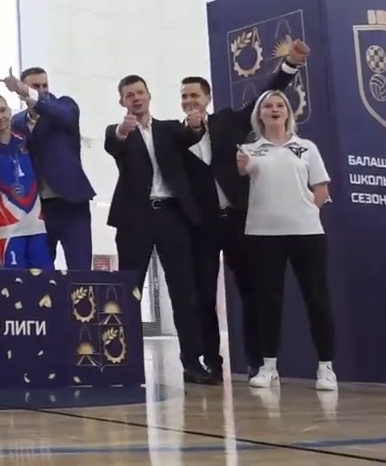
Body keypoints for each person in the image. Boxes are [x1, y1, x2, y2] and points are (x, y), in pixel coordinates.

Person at [180, 39, 307, 380]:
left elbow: (264, 95)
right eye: (185, 97)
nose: (190, 101)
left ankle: (257, 361)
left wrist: (290, 65)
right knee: (203, 295)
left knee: (252, 291)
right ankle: (212, 363)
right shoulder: (176, 135)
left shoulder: (228, 122)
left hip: (238, 220)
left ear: (207, 99)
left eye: (195, 95)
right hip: (203, 227)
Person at [103, 74, 215, 385]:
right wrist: (123, 131)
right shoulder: (118, 131)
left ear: (149, 95)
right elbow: (114, 143)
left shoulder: (168, 129)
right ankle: (123, 363)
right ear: (122, 101)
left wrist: (196, 124)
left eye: (140, 92)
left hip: (172, 216)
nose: (136, 98)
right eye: (129, 95)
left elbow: (190, 134)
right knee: (130, 292)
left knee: (184, 292)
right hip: (135, 220)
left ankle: (192, 363)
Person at [238, 90, 336, 391]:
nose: (274, 109)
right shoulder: (250, 150)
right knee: (268, 301)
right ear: (260, 114)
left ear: (288, 112)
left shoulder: (306, 148)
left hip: (307, 233)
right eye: (268, 106)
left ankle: (326, 368)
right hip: (262, 235)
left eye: (280, 105)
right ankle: (268, 367)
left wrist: (307, 211)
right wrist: (242, 167)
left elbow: (321, 188)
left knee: (316, 298)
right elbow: (241, 175)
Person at [5, 67, 96, 269]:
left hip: (72, 203)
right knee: (40, 270)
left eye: (44, 85)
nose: (42, 90)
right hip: (38, 208)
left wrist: (31, 95)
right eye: (35, 86)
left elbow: (64, 116)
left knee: (80, 270)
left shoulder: (65, 106)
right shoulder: (17, 122)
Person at [0, 93, 52, 269]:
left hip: (35, 225)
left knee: (45, 279)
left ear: (10, 111)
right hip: (6, 228)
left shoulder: (25, 140)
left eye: (2, 110)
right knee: (12, 282)